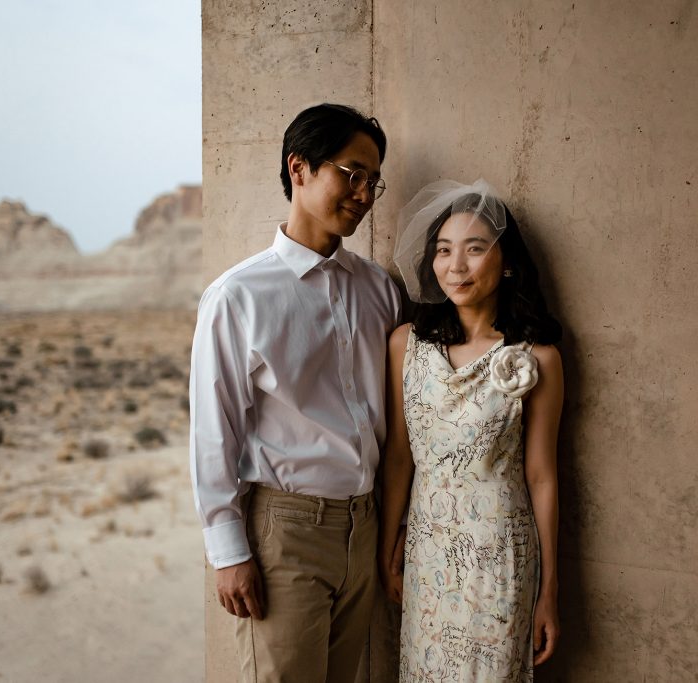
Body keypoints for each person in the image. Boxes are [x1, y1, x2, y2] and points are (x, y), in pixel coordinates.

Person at [189, 103, 400, 682]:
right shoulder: (238, 296)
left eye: (374, 182)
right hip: (287, 534)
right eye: (351, 173)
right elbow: (214, 430)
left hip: (366, 527)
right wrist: (229, 553)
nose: (363, 193)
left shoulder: (380, 289)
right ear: (300, 168)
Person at [379, 179, 564, 681]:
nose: (455, 266)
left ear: (505, 263)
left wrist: (549, 590)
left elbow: (543, 476)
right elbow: (399, 457)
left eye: (474, 249)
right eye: (443, 250)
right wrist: (388, 543)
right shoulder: (405, 346)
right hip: (427, 549)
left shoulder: (537, 358)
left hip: (500, 555)